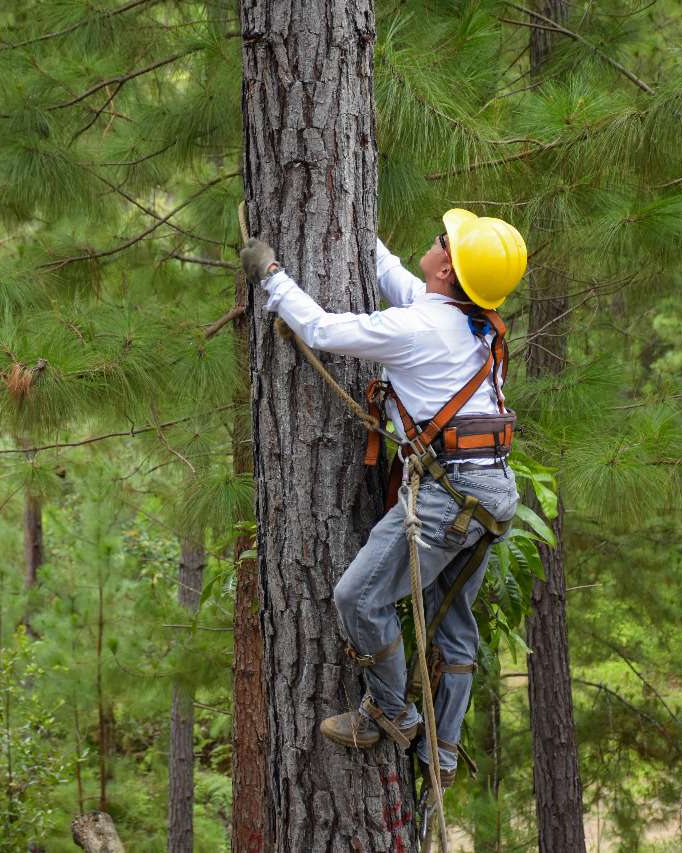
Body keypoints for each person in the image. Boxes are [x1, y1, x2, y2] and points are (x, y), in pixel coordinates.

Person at [239, 209, 527, 788]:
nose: (435, 241)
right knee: (454, 625)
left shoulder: (417, 330)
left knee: (358, 597)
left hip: (451, 495)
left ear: (447, 268)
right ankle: (443, 752)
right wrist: (348, 222)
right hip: (492, 493)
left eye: (442, 240)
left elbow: (321, 331)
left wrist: (271, 275)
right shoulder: (469, 321)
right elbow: (391, 272)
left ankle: (391, 714)